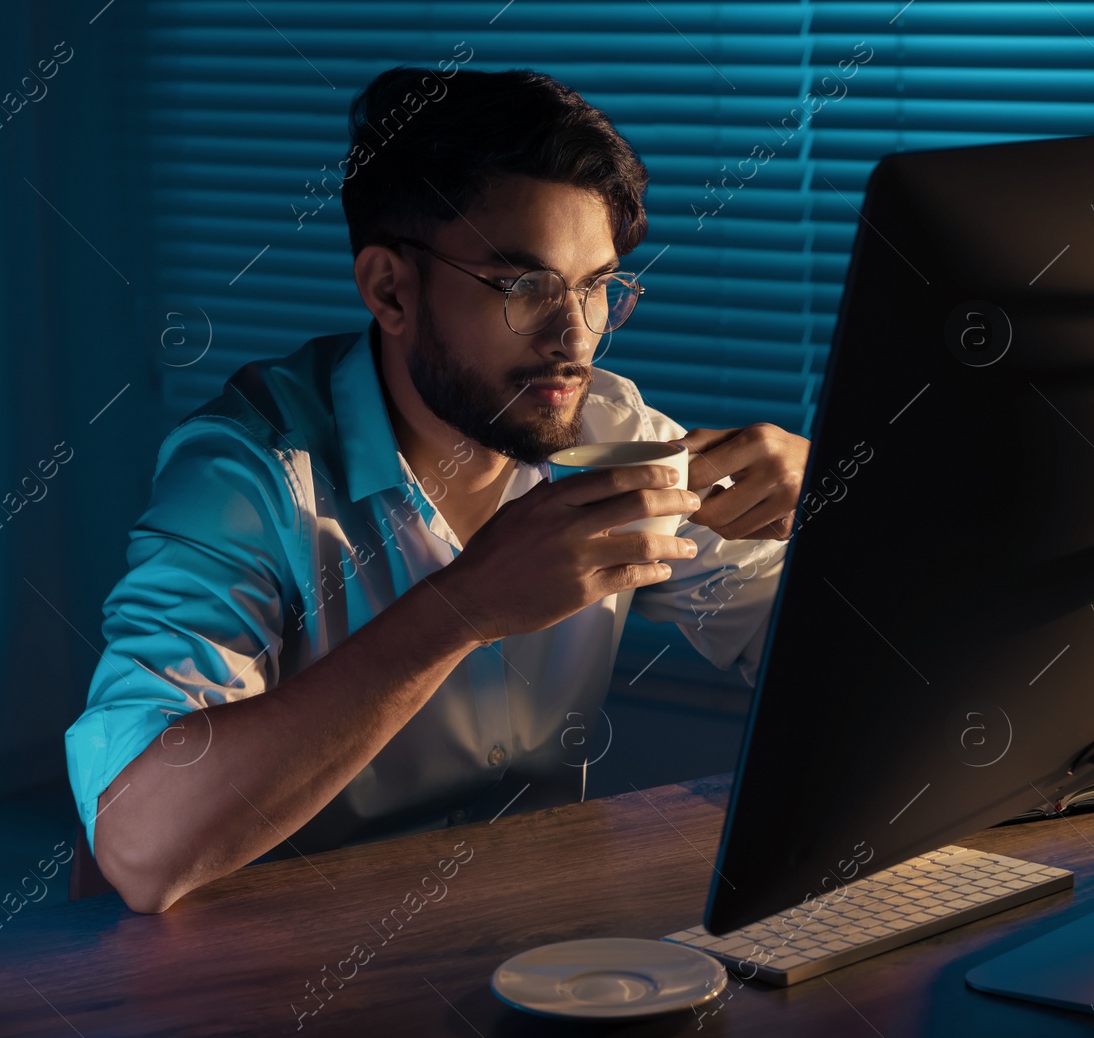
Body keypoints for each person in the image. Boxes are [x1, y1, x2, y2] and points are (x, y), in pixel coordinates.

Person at [63, 66, 808, 914]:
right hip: (271, 984)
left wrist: (840, 509)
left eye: (597, 287)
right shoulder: (247, 474)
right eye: (524, 287)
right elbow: (137, 843)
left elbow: (829, 667)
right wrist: (464, 607)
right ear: (390, 288)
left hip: (527, 957)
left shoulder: (608, 432)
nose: (576, 339)